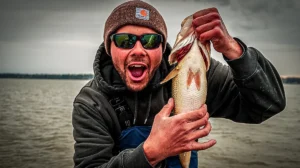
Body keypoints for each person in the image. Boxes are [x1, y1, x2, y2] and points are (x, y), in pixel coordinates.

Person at [72, 1, 286, 168]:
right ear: (109, 48)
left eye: (150, 41)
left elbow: (268, 104)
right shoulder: (92, 102)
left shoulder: (198, 72)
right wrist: (151, 151)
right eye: (124, 41)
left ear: (163, 46)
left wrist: (234, 50)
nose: (138, 50)